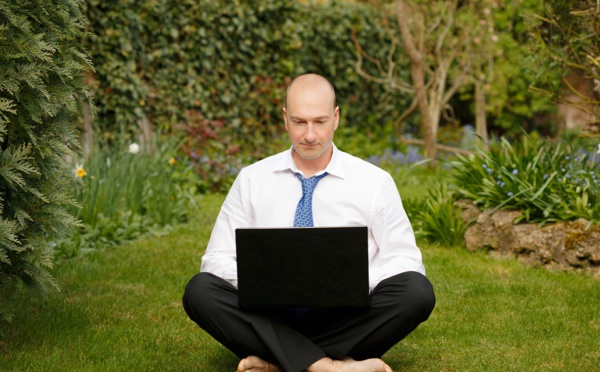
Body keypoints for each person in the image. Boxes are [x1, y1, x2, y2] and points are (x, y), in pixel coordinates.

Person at [183, 73, 435, 372]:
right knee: (199, 291)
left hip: (345, 315)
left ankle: (278, 360)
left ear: (336, 118)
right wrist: (264, 280)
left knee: (416, 292)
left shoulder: (374, 182)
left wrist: (351, 284)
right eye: (300, 122)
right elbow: (215, 260)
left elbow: (407, 262)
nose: (310, 134)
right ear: (285, 118)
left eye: (320, 121)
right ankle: (329, 366)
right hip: (271, 313)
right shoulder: (252, 179)